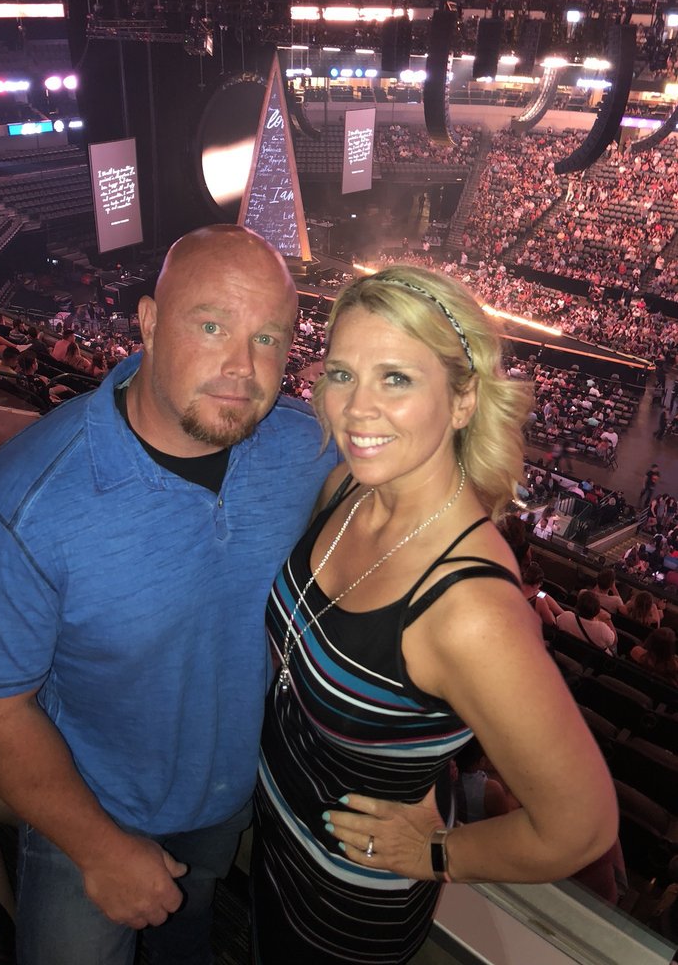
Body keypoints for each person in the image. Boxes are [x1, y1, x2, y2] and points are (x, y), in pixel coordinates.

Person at [0, 225, 338, 965]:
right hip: (86, 809)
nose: (242, 367)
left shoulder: (304, 446)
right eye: (211, 326)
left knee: (188, 937)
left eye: (268, 339)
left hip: (222, 800)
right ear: (147, 322)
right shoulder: (23, 504)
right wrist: (100, 850)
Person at [252, 267, 617, 965]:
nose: (356, 408)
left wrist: (438, 852)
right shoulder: (347, 488)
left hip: (343, 907)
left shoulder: (470, 611)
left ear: (462, 400)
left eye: (396, 378)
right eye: (342, 374)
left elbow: (582, 826)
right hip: (273, 829)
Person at [556, 590, 617, 655]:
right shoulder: (602, 629)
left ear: (576, 607)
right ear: (597, 612)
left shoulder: (565, 617)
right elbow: (614, 642)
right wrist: (608, 619)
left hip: (565, 655)